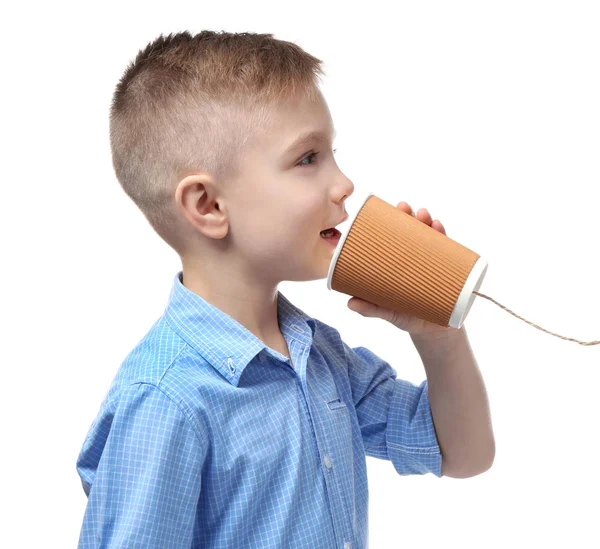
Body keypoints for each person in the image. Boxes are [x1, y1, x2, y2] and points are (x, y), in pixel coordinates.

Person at [76, 30, 495, 549]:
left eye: (331, 153)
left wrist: (437, 333)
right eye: (307, 159)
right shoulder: (164, 401)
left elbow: (464, 454)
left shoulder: (321, 358)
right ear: (208, 205)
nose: (343, 184)